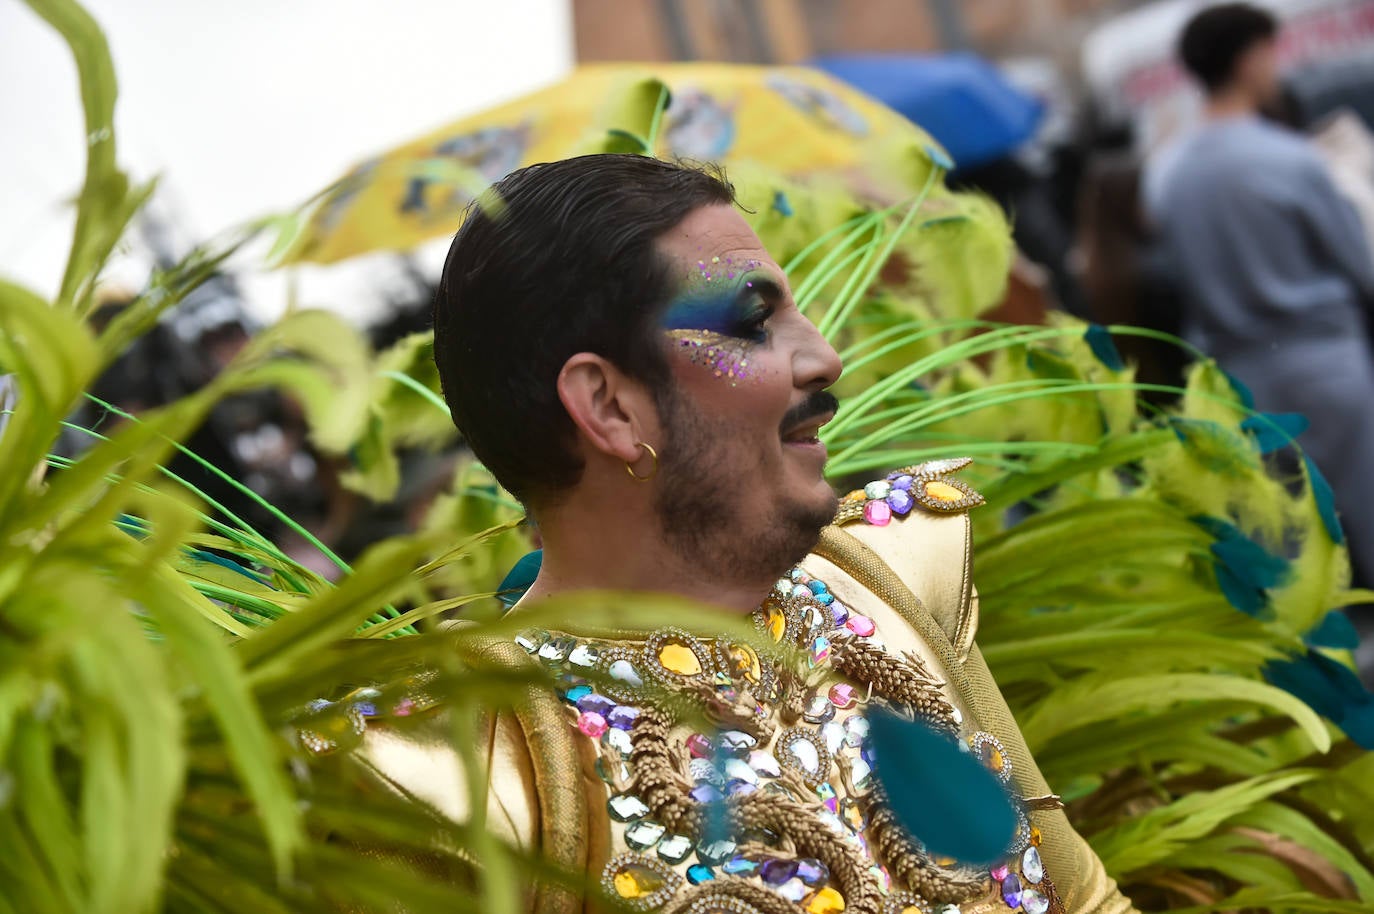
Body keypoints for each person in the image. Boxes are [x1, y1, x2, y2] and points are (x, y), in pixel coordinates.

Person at [356, 154, 1135, 913]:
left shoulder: (883, 581)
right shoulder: (459, 773)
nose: (824, 358)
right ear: (611, 407)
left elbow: (1085, 898)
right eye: (754, 322)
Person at [1144, 4, 1374, 614]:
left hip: (1241, 380)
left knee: (1291, 544)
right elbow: (1360, 264)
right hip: (1328, 362)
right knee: (1366, 511)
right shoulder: (1290, 157)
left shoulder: (1170, 175)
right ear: (1249, 59)